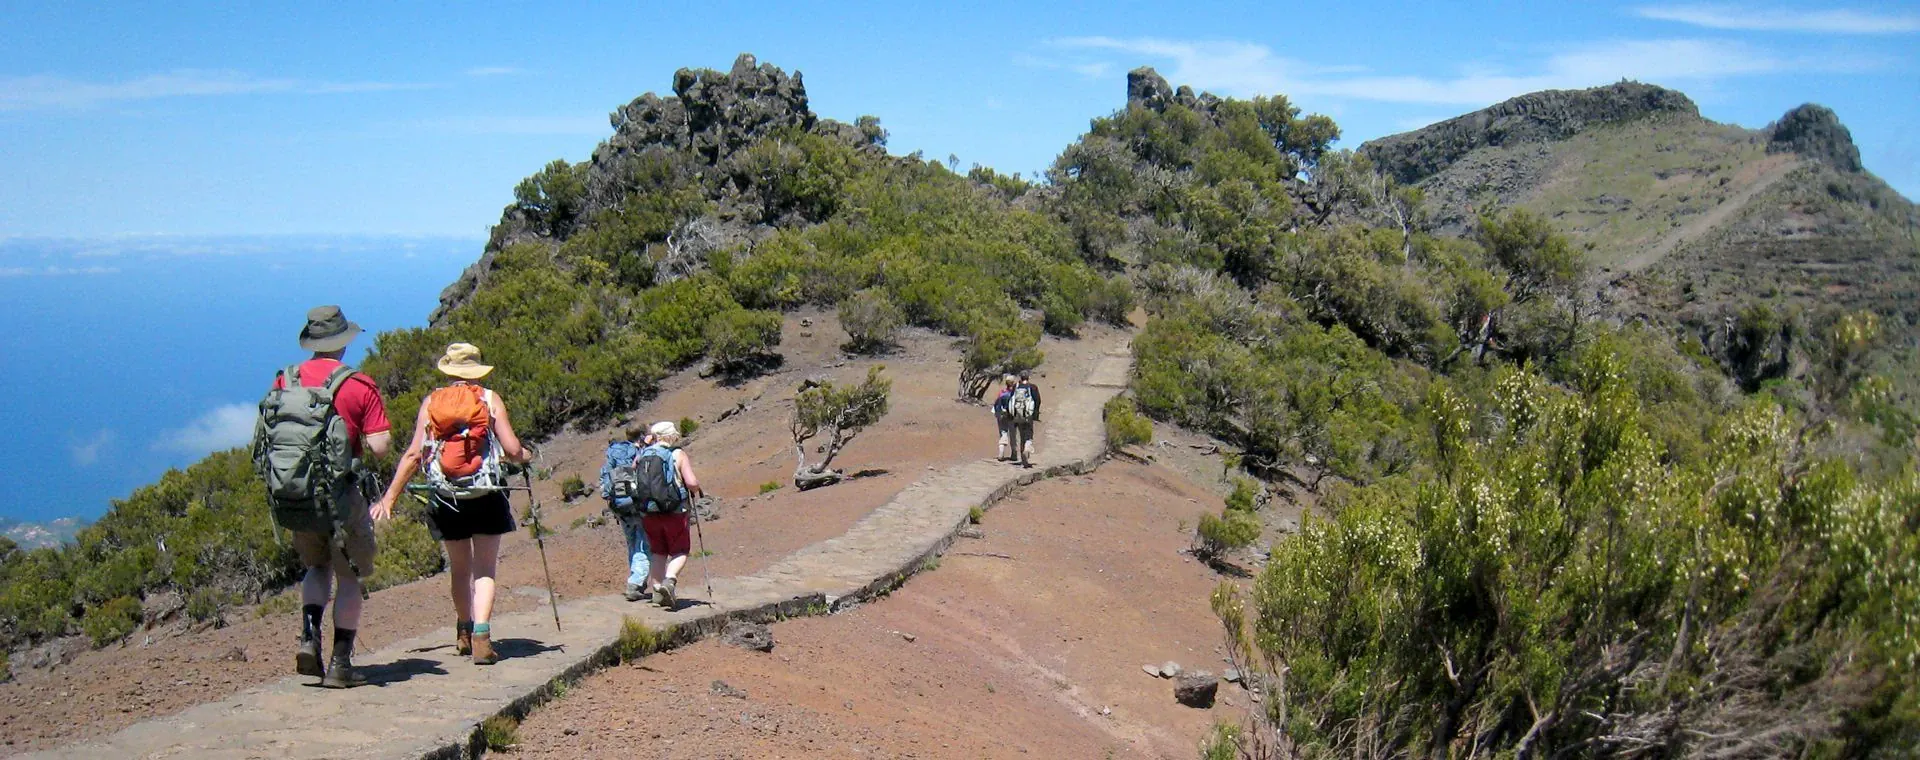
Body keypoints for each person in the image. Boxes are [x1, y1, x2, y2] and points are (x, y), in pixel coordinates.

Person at [373, 343, 531, 665]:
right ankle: (482, 637)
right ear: (476, 371)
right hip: (485, 494)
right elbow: (513, 449)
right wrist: (525, 456)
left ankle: (463, 632)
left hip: (447, 498)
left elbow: (414, 455)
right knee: (485, 568)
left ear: (449, 370)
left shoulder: (432, 403)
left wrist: (389, 497)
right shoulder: (489, 399)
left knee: (460, 569)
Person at [273, 306, 392, 689]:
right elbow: (379, 447)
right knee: (350, 576)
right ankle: (341, 664)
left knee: (316, 568)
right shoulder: (358, 385)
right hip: (341, 497)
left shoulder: (285, 381)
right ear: (344, 342)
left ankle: (309, 636)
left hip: (297, 495)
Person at [640, 421, 702, 609]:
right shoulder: (677, 454)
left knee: (658, 551)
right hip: (674, 511)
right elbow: (691, 482)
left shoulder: (643, 455)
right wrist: (696, 488)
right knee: (680, 550)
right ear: (671, 435)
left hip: (649, 511)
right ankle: (670, 581)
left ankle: (658, 593)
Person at [599, 427, 652, 602]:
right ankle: (635, 583)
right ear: (642, 436)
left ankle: (635, 579)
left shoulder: (613, 452)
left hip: (619, 504)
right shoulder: (641, 450)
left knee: (631, 542)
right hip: (638, 503)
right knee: (644, 543)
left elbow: (605, 477)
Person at [1011, 370, 1043, 464]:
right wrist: (1035, 415)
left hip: (1018, 414)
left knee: (1021, 435)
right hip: (1028, 414)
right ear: (1028, 377)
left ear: (1020, 377)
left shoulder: (1016, 387)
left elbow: (1011, 399)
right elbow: (1037, 401)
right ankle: (1027, 449)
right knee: (1028, 435)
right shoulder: (1032, 387)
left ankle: (1022, 458)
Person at [991, 374, 1018, 461]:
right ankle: (1014, 454)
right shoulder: (1015, 394)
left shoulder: (1002, 392)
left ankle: (1001, 453)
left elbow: (996, 404)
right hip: (1012, 417)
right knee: (1013, 435)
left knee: (1003, 433)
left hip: (1002, 416)